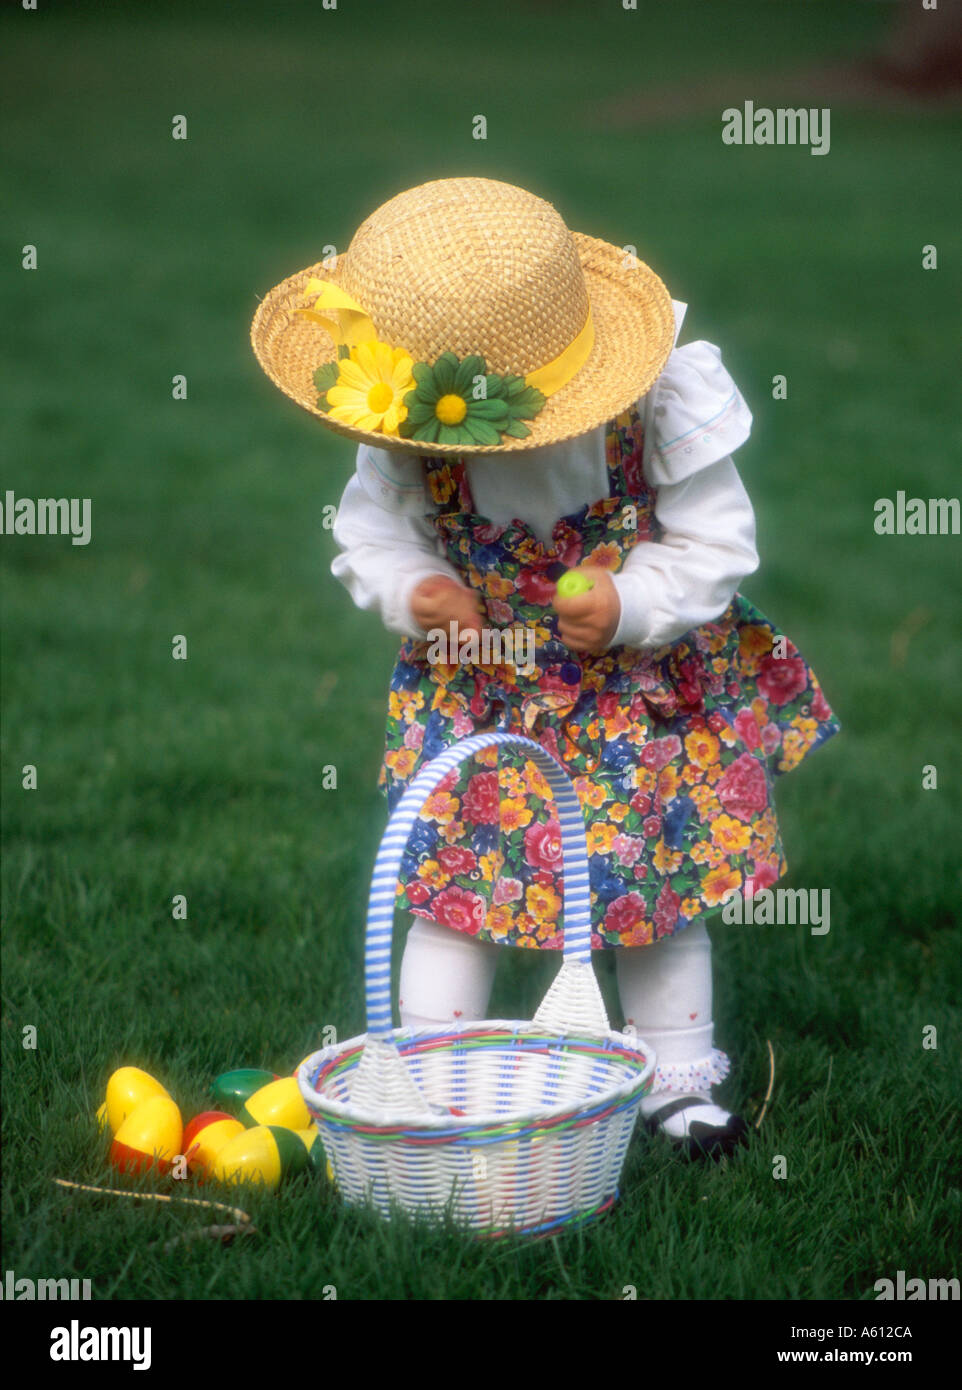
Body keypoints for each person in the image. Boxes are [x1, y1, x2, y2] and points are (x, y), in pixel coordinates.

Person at [251, 176, 840, 1158]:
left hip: (633, 695)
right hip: (482, 688)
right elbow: (369, 537)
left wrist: (631, 600)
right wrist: (417, 591)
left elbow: (717, 543)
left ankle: (674, 1084)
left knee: (657, 889)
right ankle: (426, 1075)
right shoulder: (405, 429)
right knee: (456, 890)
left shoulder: (654, 400)